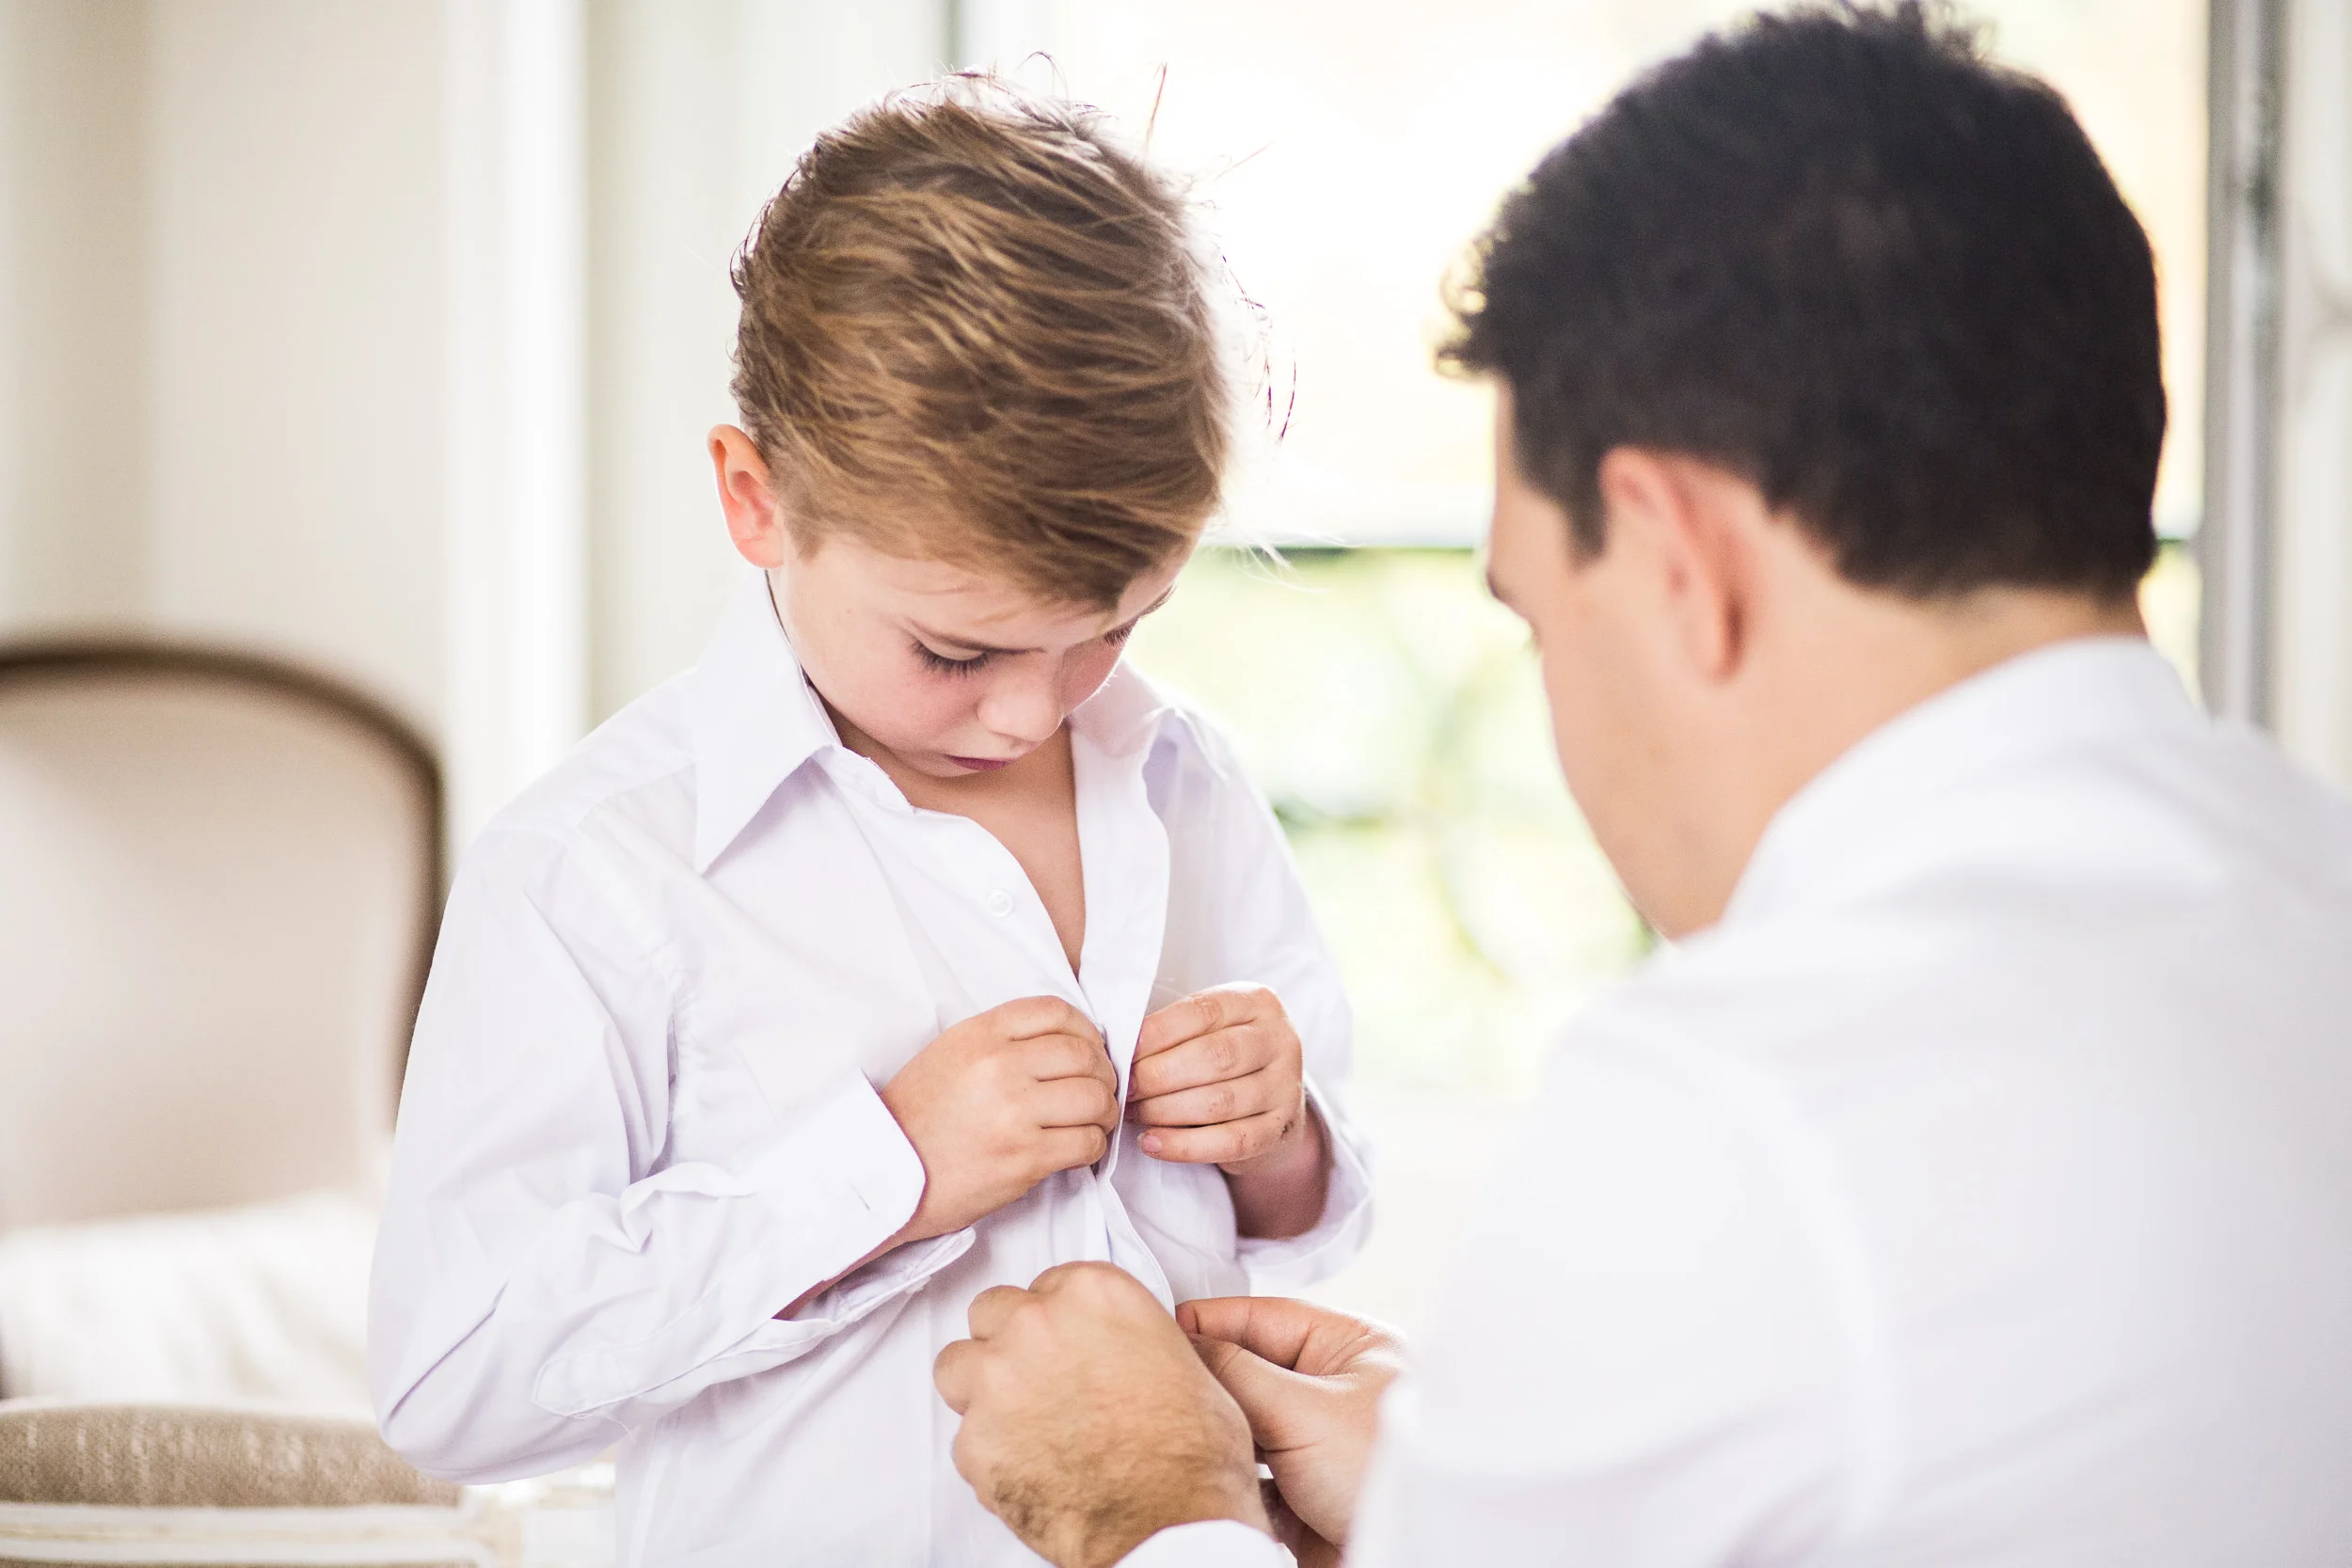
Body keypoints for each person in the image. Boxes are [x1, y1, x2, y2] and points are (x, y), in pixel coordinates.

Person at [931, 5, 2352, 1565]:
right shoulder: (2306, 886)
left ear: (1675, 558)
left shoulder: (1745, 1096)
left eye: (1539, 615)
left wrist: (1149, 1501)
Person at [367, 82, 1372, 1565]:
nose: (1035, 715)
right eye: (957, 654)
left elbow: (1307, 1237)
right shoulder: (600, 871)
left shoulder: (1187, 784)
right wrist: (883, 1167)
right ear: (754, 498)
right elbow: (454, 1379)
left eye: (1113, 627)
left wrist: (1280, 1139)